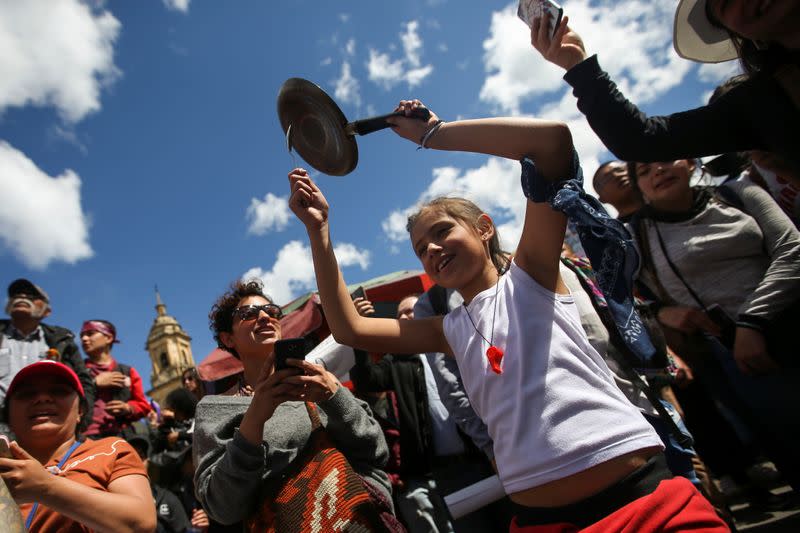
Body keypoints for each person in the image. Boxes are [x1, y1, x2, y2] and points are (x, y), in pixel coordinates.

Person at [289, 100, 727, 531]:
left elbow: (552, 143)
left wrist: (434, 134)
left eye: (442, 232)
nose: (433, 250)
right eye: (422, 249)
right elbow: (350, 328)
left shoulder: (532, 273)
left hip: (648, 503)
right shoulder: (449, 329)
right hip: (542, 522)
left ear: (483, 227)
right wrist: (318, 229)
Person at [624, 158, 800, 492]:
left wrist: (753, 322)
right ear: (640, 188)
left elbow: (793, 250)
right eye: (644, 172)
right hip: (734, 356)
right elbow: (617, 297)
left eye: (665, 161)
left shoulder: (737, 193)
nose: (657, 171)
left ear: (690, 164)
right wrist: (662, 312)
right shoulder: (636, 236)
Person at [193, 279, 394, 528]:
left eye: (272, 311)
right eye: (248, 314)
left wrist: (334, 396)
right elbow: (222, 507)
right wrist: (254, 419)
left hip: (359, 520)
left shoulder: (319, 380)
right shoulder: (215, 408)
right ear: (228, 339)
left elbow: (376, 450)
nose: (265, 317)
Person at [529, 1, 800, 175]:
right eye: (726, 4)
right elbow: (641, 138)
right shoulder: (762, 101)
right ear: (741, 34)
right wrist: (578, 65)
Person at [351, 293, 463, 533]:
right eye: (400, 314)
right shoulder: (398, 362)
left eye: (410, 310)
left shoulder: (454, 347)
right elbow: (366, 379)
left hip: (470, 464)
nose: (404, 316)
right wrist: (356, 327)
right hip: (423, 473)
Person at [0, 360, 155, 532]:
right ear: (7, 415)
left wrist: (45, 487)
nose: (42, 398)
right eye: (27, 393)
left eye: (59, 391)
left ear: (81, 411)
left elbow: (141, 522)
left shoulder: (112, 449)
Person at [0, 279, 94, 415]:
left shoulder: (62, 340)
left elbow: (84, 381)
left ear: (47, 311)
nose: (22, 297)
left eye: (31, 296)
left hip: (44, 422)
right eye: (17, 295)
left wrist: (81, 418)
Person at [80, 320, 151, 439]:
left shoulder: (127, 372)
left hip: (120, 436)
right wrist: (94, 383)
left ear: (108, 338)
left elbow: (143, 405)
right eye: (81, 336)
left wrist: (128, 408)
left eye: (90, 333)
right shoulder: (76, 371)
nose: (84, 339)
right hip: (84, 438)